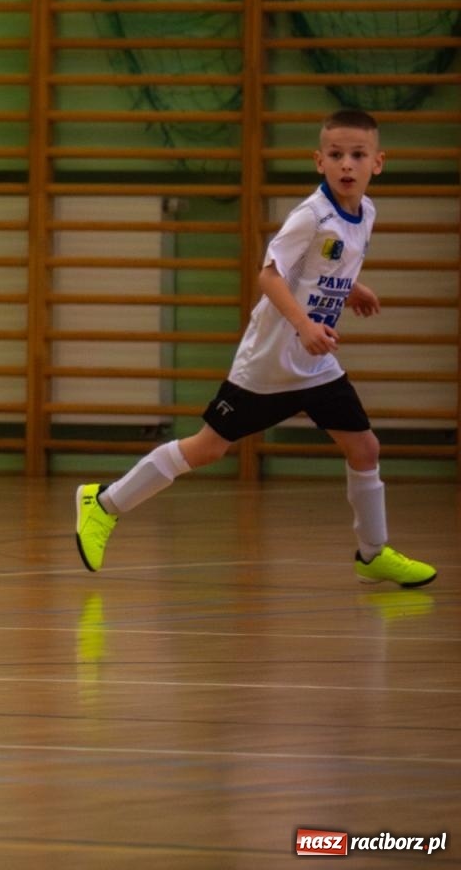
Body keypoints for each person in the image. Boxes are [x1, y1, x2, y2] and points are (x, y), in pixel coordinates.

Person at [75, 108, 436, 589]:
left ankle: (372, 554)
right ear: (318, 161)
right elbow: (269, 274)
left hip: (315, 364)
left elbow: (322, 269)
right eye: (335, 155)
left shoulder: (365, 213)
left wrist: (352, 288)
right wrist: (305, 323)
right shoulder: (311, 215)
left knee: (364, 447)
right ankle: (103, 505)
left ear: (378, 163)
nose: (346, 164)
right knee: (207, 450)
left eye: (357, 154)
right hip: (268, 364)